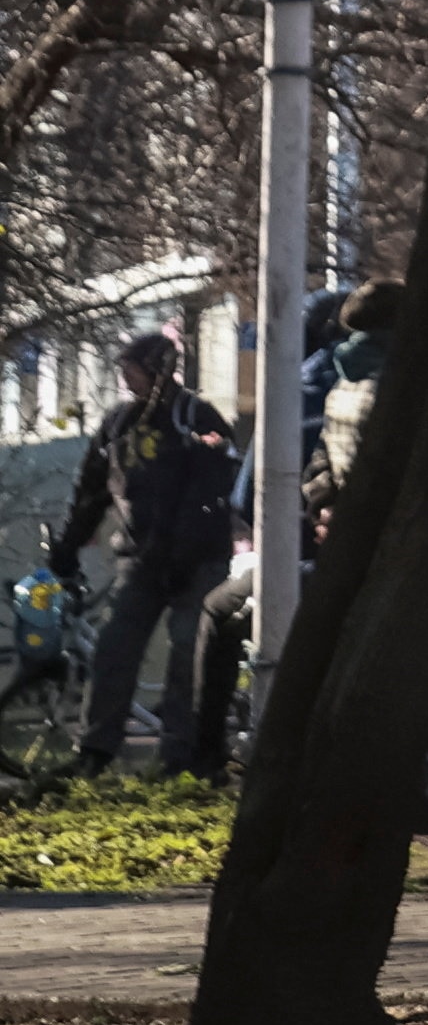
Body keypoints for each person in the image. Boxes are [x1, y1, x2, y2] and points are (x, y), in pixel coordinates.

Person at [49, 329, 235, 782]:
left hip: (197, 561)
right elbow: (92, 492)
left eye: (132, 369)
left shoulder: (197, 415)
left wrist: (181, 552)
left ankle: (181, 757)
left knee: (187, 657)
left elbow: (213, 488)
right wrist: (67, 547)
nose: (125, 378)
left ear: (159, 368)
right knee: (114, 651)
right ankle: (95, 749)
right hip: (140, 560)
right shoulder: (117, 424)